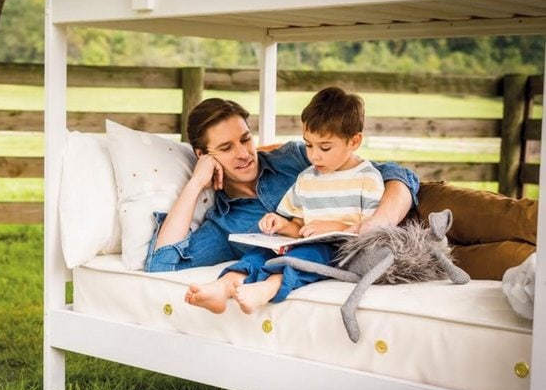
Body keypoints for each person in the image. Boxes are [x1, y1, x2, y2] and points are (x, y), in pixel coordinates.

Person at [144, 96, 419, 314]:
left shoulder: (296, 158)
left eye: (245, 139)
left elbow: (398, 175)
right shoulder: (223, 224)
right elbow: (162, 263)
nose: (243, 154)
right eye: (226, 148)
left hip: (397, 227)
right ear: (203, 155)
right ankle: (227, 287)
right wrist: (195, 183)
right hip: (320, 256)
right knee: (261, 257)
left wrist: (375, 224)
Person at [223, 86, 385, 313]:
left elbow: (375, 232)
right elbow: (298, 227)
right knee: (262, 252)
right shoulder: (307, 178)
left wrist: (337, 227)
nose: (314, 155)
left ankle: (269, 288)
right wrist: (282, 224)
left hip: (340, 252)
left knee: (306, 256)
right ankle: (224, 285)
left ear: (354, 141)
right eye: (308, 145)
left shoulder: (367, 179)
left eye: (325, 147)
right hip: (304, 244)